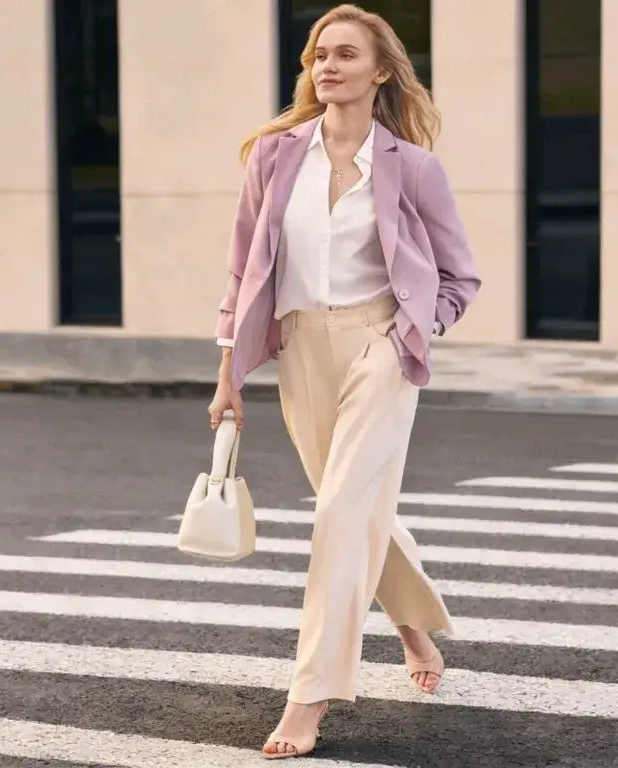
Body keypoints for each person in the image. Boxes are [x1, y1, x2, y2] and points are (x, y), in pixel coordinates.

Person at [206, 3, 481, 759]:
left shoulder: (412, 167)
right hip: (300, 347)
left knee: (337, 513)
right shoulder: (273, 156)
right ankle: (413, 630)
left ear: (381, 71)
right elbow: (242, 270)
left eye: (346, 55)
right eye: (318, 55)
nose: (326, 65)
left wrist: (411, 336)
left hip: (379, 347)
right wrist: (228, 371)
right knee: (353, 503)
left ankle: (312, 694)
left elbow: (461, 275)